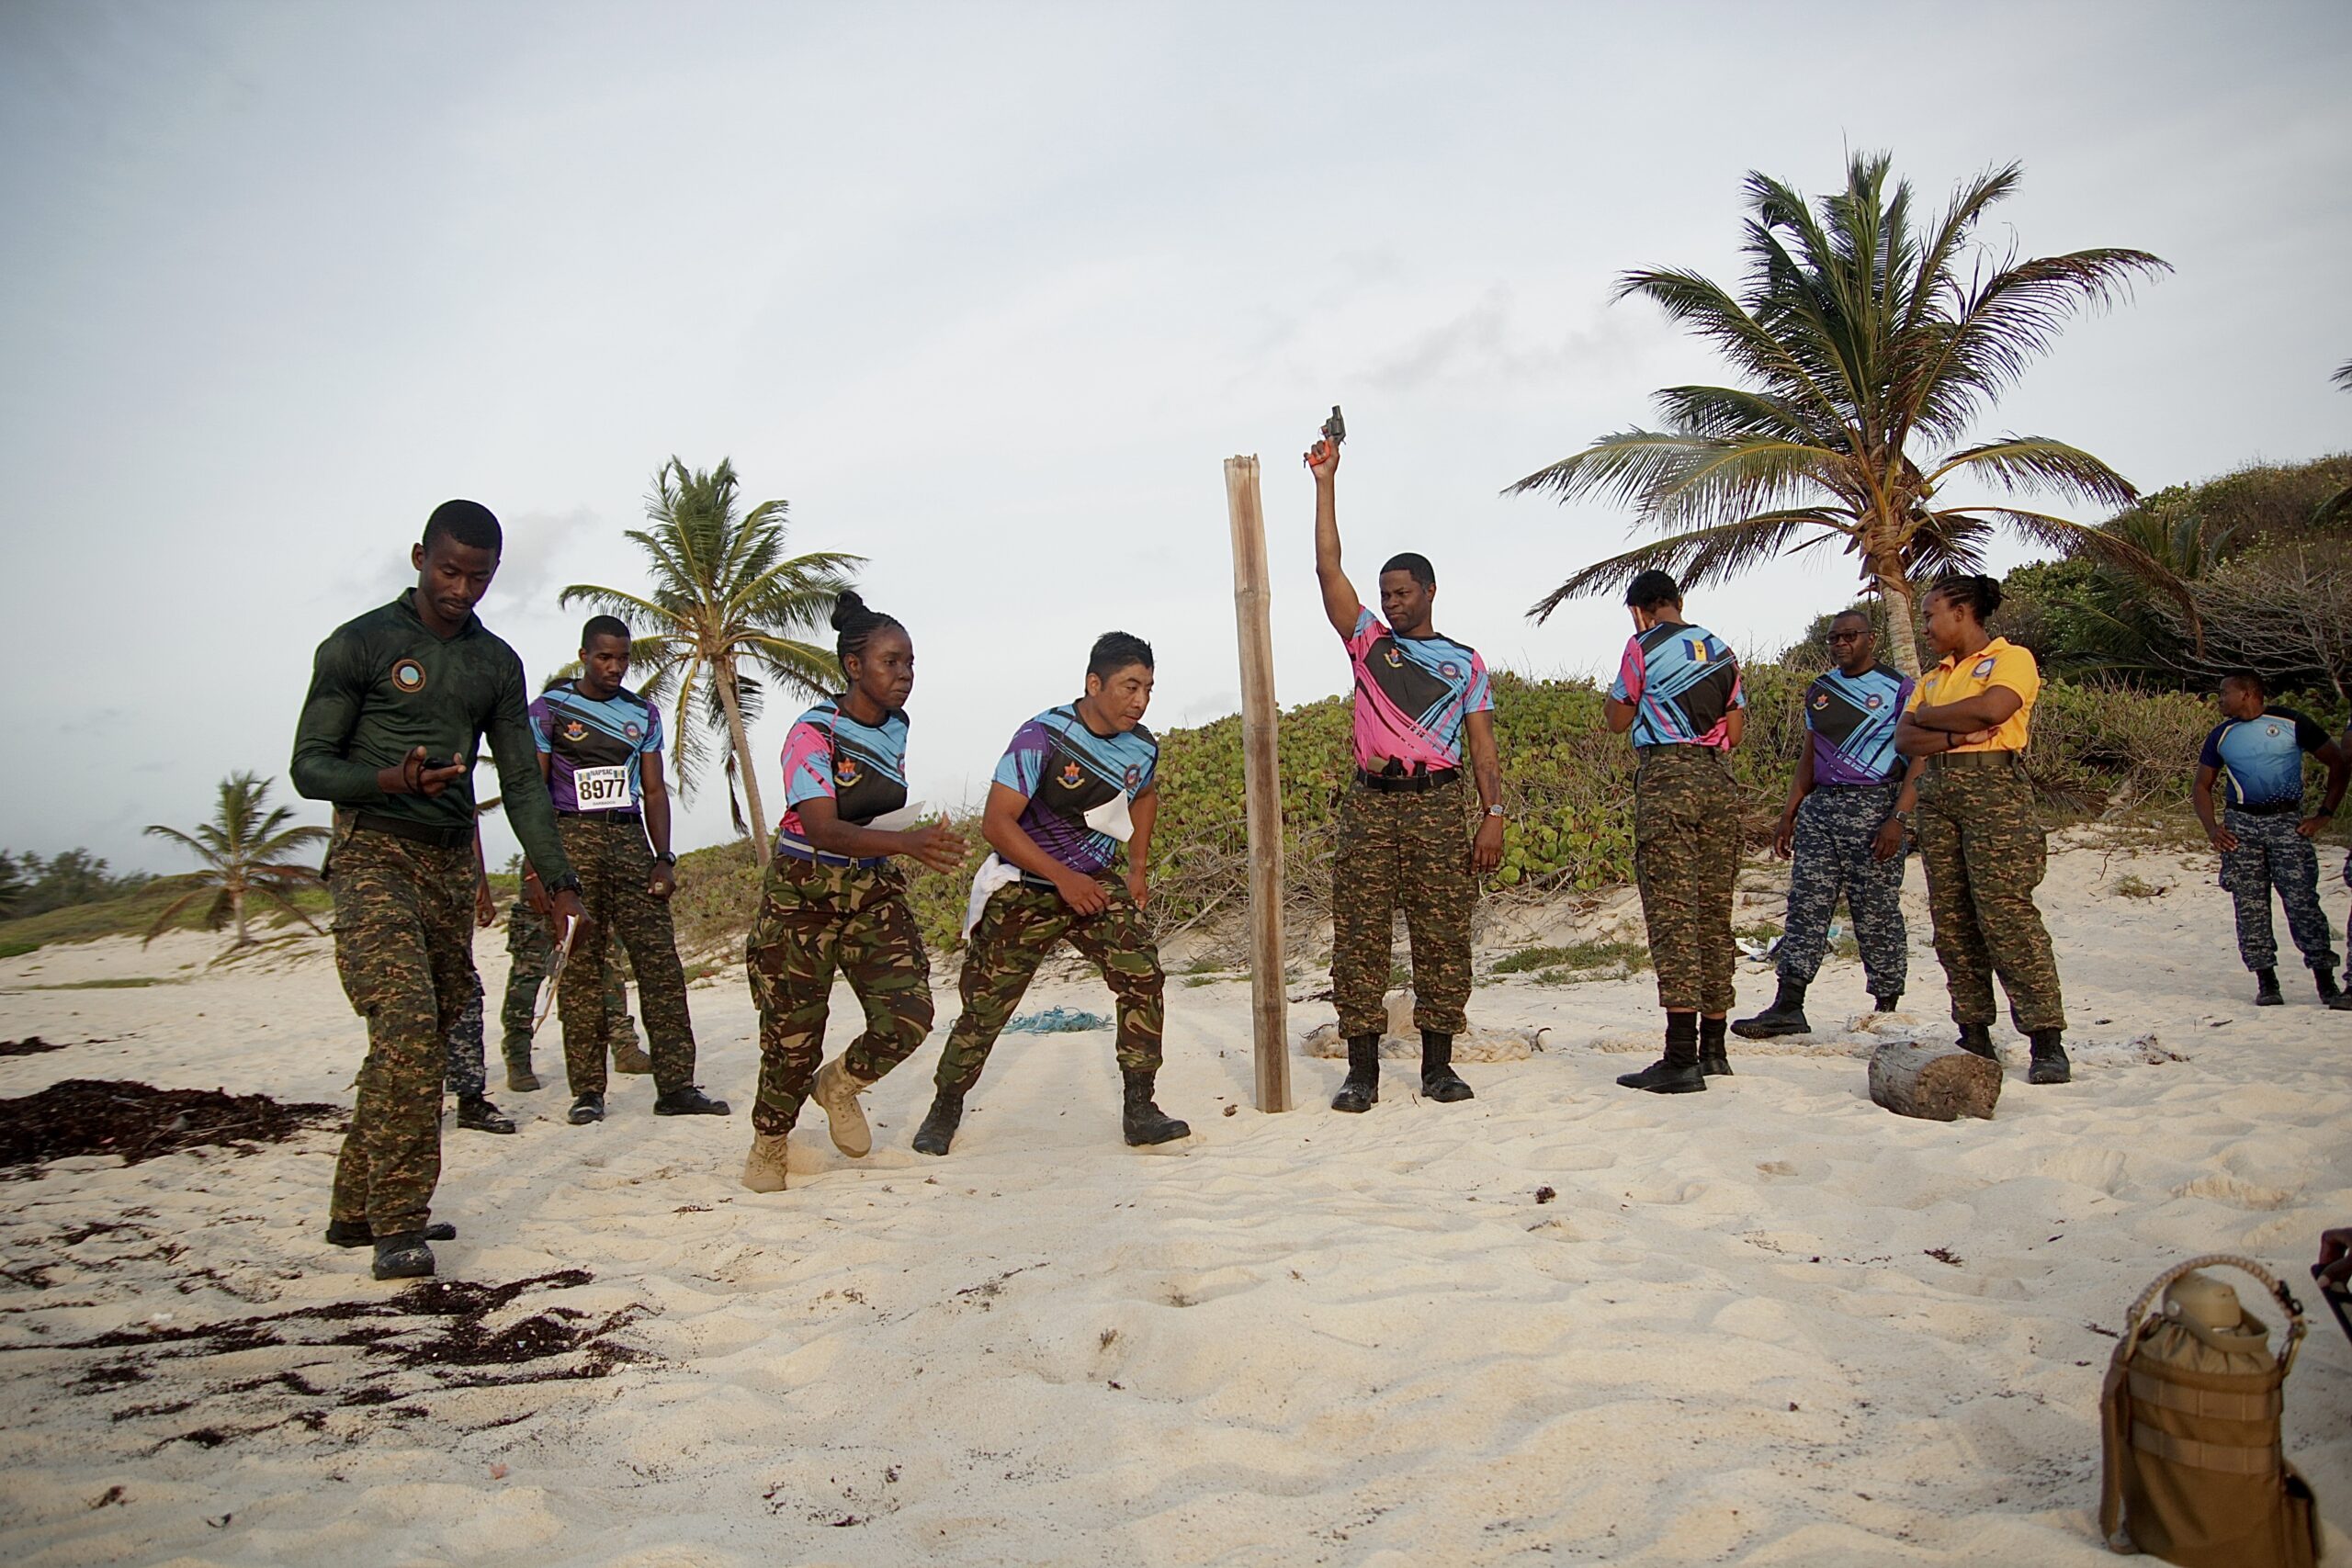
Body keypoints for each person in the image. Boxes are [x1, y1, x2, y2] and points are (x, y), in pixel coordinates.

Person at [290, 499, 584, 1280]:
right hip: (372, 854)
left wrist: (558, 879)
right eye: (449, 571)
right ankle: (398, 1224)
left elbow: (524, 779)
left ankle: (356, 1208)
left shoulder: (496, 663)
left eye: (479, 577)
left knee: (412, 1035)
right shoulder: (360, 644)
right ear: (420, 555)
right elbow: (309, 765)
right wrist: (387, 779)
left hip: (450, 866)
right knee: (412, 1027)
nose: (461, 589)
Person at [911, 633, 1189, 1156]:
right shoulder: (1043, 735)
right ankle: (944, 1107)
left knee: (1142, 976)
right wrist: (1063, 878)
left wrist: (1136, 866)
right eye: (1130, 686)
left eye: (1149, 688)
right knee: (986, 1008)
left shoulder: (1143, 745)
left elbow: (1145, 795)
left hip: (1096, 884)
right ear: (1094, 683)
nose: (1141, 700)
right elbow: (997, 823)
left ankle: (1140, 1108)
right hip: (1027, 887)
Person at [741, 592, 967, 1192]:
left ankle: (839, 1083)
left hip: (870, 889)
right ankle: (770, 1139)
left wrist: (901, 844)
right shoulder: (811, 733)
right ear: (853, 667)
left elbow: (872, 809)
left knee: (910, 1015)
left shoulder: (897, 725)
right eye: (892, 662)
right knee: (792, 1043)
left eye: (911, 663)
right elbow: (820, 825)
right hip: (803, 893)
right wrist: (908, 844)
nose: (905, 676)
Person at [1306, 427, 1502, 1112]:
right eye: (1386, 593)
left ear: (1430, 591)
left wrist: (1493, 815)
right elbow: (1330, 571)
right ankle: (1362, 1071)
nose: (1391, 603)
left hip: (1439, 805)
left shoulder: (1465, 661)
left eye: (1402, 592)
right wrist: (1326, 484)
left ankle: (1438, 1066)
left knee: (1443, 930)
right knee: (1358, 931)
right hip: (1371, 803)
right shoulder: (1368, 645)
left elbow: (1481, 746)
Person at [526, 615, 728, 1123]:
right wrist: (540, 872)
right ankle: (588, 1091)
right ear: (583, 656)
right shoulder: (550, 709)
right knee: (583, 970)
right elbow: (535, 794)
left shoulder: (642, 712)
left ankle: (677, 1086)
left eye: (622, 659)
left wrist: (663, 857)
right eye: (604, 658)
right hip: (572, 839)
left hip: (629, 837)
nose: (614, 668)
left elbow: (655, 789)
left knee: (660, 965)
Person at [1894, 574, 2070, 1083]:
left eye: (1930, 614)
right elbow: (1906, 739)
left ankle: (2045, 1040)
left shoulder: (2011, 658)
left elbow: (1997, 708)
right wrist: (1953, 732)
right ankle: (1973, 1031)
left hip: (1994, 790)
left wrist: (1931, 718)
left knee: (2006, 913)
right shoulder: (1932, 677)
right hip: (1939, 794)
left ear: (1961, 612)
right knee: (1952, 917)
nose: (1926, 626)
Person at [1736, 609, 1917, 1037]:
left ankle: (1887, 1004)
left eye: (1850, 636)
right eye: (1834, 638)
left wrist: (1899, 819)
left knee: (1875, 910)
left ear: (1871, 639)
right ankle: (1788, 1004)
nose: (1840, 644)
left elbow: (1918, 759)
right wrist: (1789, 813)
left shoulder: (1899, 688)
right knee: (1806, 906)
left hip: (1876, 804)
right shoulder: (1820, 690)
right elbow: (1810, 752)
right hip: (1823, 809)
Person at [1604, 570, 1746, 1093]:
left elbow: (1618, 718)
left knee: (1673, 915)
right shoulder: (1722, 649)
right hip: (1719, 782)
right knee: (1714, 913)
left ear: (1640, 609)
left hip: (1668, 779)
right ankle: (1715, 1049)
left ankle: (1680, 1056)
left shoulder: (1642, 645)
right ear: (1679, 602)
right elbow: (1735, 729)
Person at [2191, 671, 2347, 1008]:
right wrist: (2213, 829)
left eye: (2225, 693)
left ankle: (2326, 981)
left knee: (2302, 901)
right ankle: (2266, 981)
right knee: (2250, 905)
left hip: (2288, 823)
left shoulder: (2292, 723)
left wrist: (2324, 814)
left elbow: (2337, 763)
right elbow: (2201, 786)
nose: (2219, 699)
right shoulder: (2221, 735)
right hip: (2242, 826)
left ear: (2248, 693)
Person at [496, 897, 648, 1091]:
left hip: (587, 898)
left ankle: (625, 1046)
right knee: (527, 975)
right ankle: (517, 1056)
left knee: (606, 968)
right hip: (541, 898)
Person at [440, 836, 517, 1134]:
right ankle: (412, 1101)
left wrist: (479, 880)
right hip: (389, 877)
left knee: (461, 986)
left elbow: (466, 815)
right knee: (405, 996)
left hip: (449, 875)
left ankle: (470, 1098)